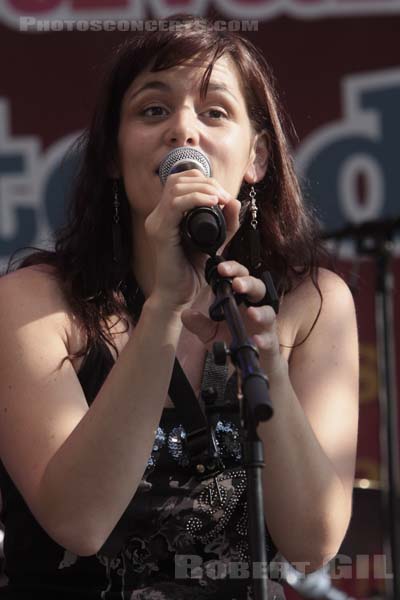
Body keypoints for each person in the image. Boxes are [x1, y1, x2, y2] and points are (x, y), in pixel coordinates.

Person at [0, 14, 359, 600]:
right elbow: (80, 521)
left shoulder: (310, 305)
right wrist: (165, 306)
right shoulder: (33, 304)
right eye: (152, 110)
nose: (184, 131)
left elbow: (312, 542)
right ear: (113, 155)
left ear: (257, 158)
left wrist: (271, 368)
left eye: (215, 112)